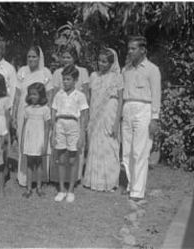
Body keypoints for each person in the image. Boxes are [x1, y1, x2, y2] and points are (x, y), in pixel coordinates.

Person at [121, 36, 161, 202]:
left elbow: (157, 94)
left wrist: (154, 118)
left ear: (143, 50)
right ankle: (131, 184)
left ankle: (138, 191)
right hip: (128, 107)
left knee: (140, 151)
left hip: (144, 108)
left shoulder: (152, 69)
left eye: (133, 49)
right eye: (129, 48)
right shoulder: (126, 70)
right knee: (127, 152)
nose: (130, 52)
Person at [83, 48, 123, 192]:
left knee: (109, 145)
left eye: (105, 61)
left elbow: (120, 100)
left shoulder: (117, 77)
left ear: (111, 63)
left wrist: (117, 122)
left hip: (110, 113)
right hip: (95, 114)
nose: (101, 64)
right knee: (95, 144)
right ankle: (94, 180)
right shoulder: (93, 76)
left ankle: (110, 182)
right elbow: (89, 97)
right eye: (99, 61)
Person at [12, 45, 53, 187]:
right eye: (29, 56)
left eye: (34, 56)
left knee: (39, 143)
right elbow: (17, 95)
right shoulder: (22, 71)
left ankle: (39, 179)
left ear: (39, 57)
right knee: (25, 141)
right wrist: (13, 114)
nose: (31, 59)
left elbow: (49, 95)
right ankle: (24, 178)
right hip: (24, 112)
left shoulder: (45, 72)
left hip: (40, 114)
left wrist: (49, 115)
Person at [51, 46, 90, 181]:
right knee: (61, 154)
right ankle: (60, 183)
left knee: (73, 154)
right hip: (61, 118)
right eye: (64, 57)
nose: (66, 60)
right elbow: (54, 97)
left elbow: (85, 96)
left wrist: (84, 124)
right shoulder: (57, 75)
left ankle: (73, 183)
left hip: (75, 117)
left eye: (69, 57)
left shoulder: (82, 72)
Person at [20, 83, 51, 198]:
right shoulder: (27, 109)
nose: (32, 97)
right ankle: (28, 188)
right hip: (29, 139)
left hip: (39, 139)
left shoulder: (45, 109)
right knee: (29, 164)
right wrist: (22, 142)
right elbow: (24, 126)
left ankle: (38, 187)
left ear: (41, 95)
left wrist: (45, 143)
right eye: (30, 94)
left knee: (38, 164)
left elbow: (47, 127)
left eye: (35, 94)